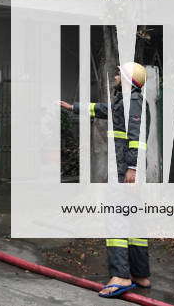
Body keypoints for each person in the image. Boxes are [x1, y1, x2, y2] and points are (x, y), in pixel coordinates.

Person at [60, 61, 150, 299]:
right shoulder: (125, 101)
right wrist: (73, 107)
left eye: (120, 74)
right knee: (134, 221)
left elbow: (136, 137)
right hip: (125, 171)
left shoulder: (134, 103)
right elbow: (103, 109)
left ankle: (120, 276)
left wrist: (131, 168)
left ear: (130, 80)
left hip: (124, 172)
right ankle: (140, 274)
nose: (116, 76)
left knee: (116, 220)